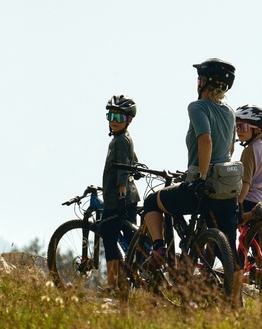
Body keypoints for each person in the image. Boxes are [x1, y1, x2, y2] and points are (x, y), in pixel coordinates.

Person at [142, 59, 239, 268]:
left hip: (204, 187)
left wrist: (202, 177)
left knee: (152, 201)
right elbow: (230, 149)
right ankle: (237, 301)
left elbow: (205, 140)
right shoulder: (230, 111)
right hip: (227, 189)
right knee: (230, 253)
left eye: (199, 78)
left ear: (203, 81)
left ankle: (159, 248)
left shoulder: (197, 107)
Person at [100, 95, 140, 293]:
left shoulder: (121, 141)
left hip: (119, 198)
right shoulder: (122, 139)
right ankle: (131, 278)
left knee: (108, 235)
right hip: (121, 195)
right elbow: (133, 161)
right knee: (130, 238)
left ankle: (112, 284)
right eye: (110, 116)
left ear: (129, 120)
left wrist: (122, 193)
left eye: (119, 118)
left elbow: (124, 168)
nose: (113, 122)